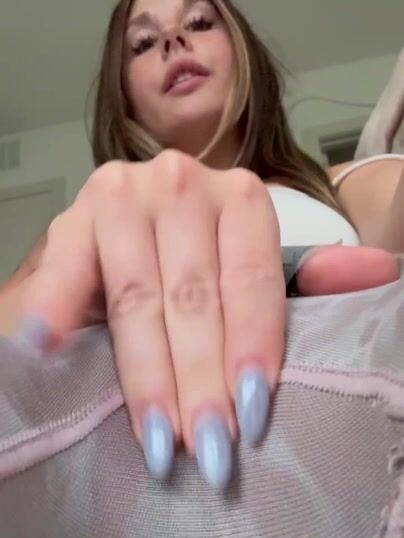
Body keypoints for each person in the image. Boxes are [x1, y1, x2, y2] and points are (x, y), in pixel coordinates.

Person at [1, 0, 403, 489]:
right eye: (143, 43)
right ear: (123, 97)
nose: (174, 39)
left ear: (243, 53)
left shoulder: (344, 188)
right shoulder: (81, 229)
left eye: (198, 22)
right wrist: (78, 303)